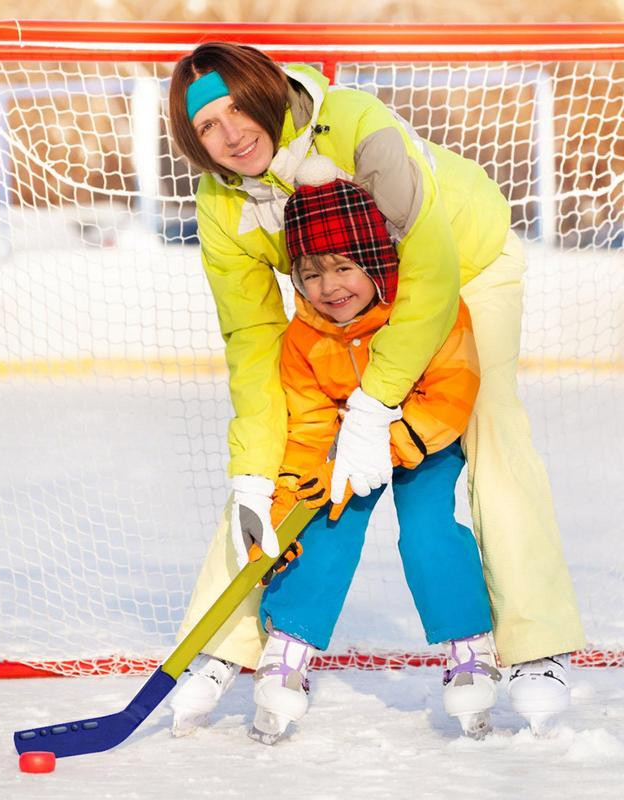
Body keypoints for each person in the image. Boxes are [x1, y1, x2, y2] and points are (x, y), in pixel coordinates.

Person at [166, 42, 583, 735]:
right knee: (273, 472)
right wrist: (251, 478)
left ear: (270, 94)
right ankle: (222, 643)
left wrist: (374, 405)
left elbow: (432, 270)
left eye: (239, 108)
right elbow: (255, 346)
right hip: (345, 297)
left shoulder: (357, 125)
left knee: (494, 426)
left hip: (463, 263)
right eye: (207, 124)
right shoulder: (221, 202)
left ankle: (535, 646)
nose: (230, 132)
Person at [244, 156, 499, 743]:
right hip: (348, 448)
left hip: (423, 440)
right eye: (309, 273)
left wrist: (398, 440)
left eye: (342, 267)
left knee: (429, 529)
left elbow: (454, 385)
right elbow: (307, 424)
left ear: (377, 259)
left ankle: (468, 647)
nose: (327, 287)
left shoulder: (425, 308)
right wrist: (290, 499)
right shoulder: (302, 338)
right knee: (326, 525)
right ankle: (288, 648)